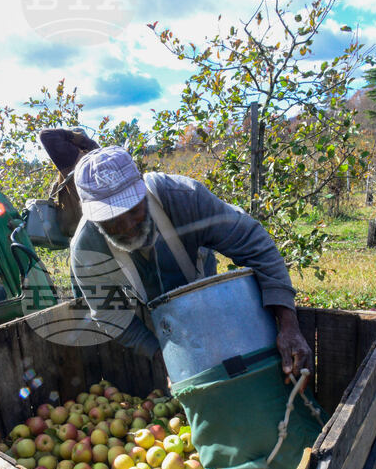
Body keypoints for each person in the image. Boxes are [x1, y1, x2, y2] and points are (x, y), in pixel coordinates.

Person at [68, 145, 312, 385]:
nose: (127, 226)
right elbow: (110, 315)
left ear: (142, 191)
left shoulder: (183, 197)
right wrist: (164, 357)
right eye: (111, 220)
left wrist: (289, 324)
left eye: (133, 210)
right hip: (157, 322)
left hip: (206, 299)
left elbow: (253, 243)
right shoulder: (86, 248)